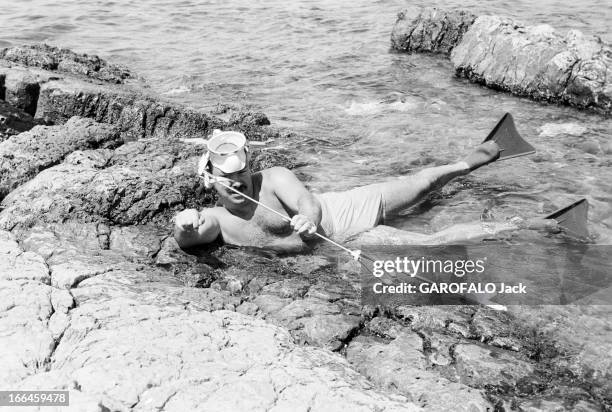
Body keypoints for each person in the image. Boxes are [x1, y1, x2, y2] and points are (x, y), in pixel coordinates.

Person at [173, 130, 504, 252]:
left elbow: (306, 201)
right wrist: (183, 226)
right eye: (228, 178)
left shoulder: (273, 178)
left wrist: (307, 217)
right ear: (209, 179)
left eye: (243, 173)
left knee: (422, 186)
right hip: (344, 243)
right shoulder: (217, 218)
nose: (238, 182)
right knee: (431, 245)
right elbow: (191, 237)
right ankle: (519, 227)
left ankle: (466, 164)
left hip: (343, 212)